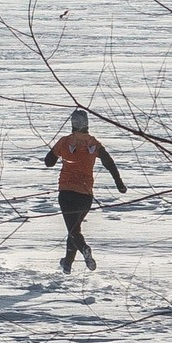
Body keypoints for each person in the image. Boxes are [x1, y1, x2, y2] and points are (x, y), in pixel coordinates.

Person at [43, 107, 125, 272]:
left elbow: (48, 162)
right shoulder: (94, 143)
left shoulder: (65, 142)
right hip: (85, 195)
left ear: (72, 124)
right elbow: (109, 162)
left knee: (73, 230)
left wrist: (60, 154)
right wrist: (119, 183)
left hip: (66, 194)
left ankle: (85, 249)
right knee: (74, 229)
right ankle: (67, 263)